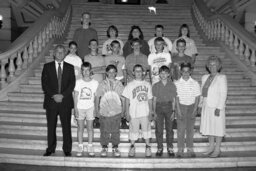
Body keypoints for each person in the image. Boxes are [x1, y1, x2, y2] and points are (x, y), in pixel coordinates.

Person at [42, 44, 75, 157]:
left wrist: (62, 95)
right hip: (51, 102)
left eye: (62, 52)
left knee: (66, 126)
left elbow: (72, 84)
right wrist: (54, 95)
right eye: (58, 51)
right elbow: (44, 84)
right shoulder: (47, 67)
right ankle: (50, 149)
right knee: (51, 127)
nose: (60, 54)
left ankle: (67, 149)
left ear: (65, 54)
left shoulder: (70, 67)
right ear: (54, 53)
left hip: (65, 101)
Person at [122, 64, 153, 157]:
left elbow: (150, 99)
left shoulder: (147, 85)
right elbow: (127, 100)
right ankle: (132, 146)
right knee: (133, 130)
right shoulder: (129, 85)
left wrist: (151, 111)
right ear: (133, 73)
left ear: (143, 72)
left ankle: (148, 147)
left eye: (140, 71)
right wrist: (126, 112)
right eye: (136, 71)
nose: (138, 73)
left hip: (145, 111)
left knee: (146, 130)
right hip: (133, 112)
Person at [200, 56, 227, 158]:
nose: (212, 67)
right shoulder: (204, 77)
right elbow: (203, 92)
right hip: (206, 106)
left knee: (218, 127)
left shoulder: (221, 77)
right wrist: (200, 105)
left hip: (216, 107)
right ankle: (211, 147)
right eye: (210, 65)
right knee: (209, 127)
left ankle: (217, 149)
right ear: (208, 66)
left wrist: (219, 108)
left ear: (218, 66)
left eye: (214, 64)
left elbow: (223, 93)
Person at [95, 65, 125, 157]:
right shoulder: (102, 84)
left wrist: (123, 111)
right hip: (104, 112)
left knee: (115, 130)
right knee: (104, 130)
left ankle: (115, 147)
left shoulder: (119, 84)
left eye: (113, 72)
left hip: (116, 112)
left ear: (116, 73)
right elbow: (97, 98)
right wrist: (97, 110)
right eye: (109, 72)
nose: (111, 74)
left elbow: (123, 99)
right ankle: (104, 147)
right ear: (106, 73)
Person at [175, 62, 200, 158]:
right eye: (184, 71)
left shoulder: (195, 83)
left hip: (191, 107)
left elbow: (197, 97)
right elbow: (176, 98)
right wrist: (178, 110)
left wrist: (195, 110)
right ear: (181, 72)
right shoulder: (177, 83)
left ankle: (190, 148)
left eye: (187, 71)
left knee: (190, 129)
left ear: (190, 72)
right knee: (181, 130)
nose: (185, 73)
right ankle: (180, 148)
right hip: (181, 107)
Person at [74, 62, 99, 157]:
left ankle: (90, 145)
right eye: (83, 70)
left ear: (90, 71)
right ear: (81, 71)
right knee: (80, 128)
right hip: (80, 107)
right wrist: (75, 108)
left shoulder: (95, 82)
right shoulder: (78, 82)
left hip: (90, 107)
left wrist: (96, 108)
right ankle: (80, 145)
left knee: (90, 128)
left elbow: (96, 97)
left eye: (87, 70)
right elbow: (75, 96)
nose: (86, 72)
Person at [152, 65, 176, 157]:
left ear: (169, 74)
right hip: (158, 107)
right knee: (159, 129)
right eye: (161, 73)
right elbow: (154, 99)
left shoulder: (172, 85)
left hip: (169, 107)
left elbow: (174, 99)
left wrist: (173, 111)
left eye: (165, 73)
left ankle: (170, 148)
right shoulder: (156, 86)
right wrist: (153, 112)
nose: (163, 75)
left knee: (170, 129)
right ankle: (159, 147)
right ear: (159, 74)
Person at [64, 41, 83, 126]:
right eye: (71, 48)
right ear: (69, 49)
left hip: (76, 83)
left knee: (75, 101)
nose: (73, 50)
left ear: (76, 49)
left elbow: (80, 73)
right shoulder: (66, 58)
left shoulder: (78, 59)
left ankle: (73, 118)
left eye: (74, 48)